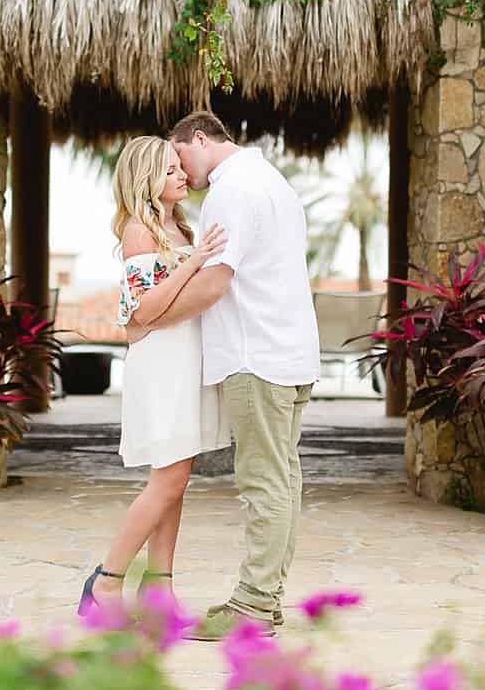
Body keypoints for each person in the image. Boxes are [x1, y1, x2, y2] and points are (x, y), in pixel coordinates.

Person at [124, 111, 319, 640]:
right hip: (290, 353)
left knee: (264, 484)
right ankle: (266, 601)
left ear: (200, 139)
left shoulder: (230, 191)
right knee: (283, 481)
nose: (180, 172)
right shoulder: (271, 180)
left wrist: (147, 320)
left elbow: (213, 285)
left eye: (178, 157)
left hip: (257, 356)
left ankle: (252, 607)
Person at [78, 136, 230, 615]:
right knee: (168, 479)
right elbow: (144, 310)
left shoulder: (178, 227)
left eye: (178, 167)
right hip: (162, 365)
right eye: (169, 170)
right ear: (146, 180)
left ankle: (159, 588)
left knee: (176, 479)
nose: (182, 174)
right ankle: (106, 582)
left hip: (185, 360)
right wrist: (196, 262)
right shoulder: (140, 232)